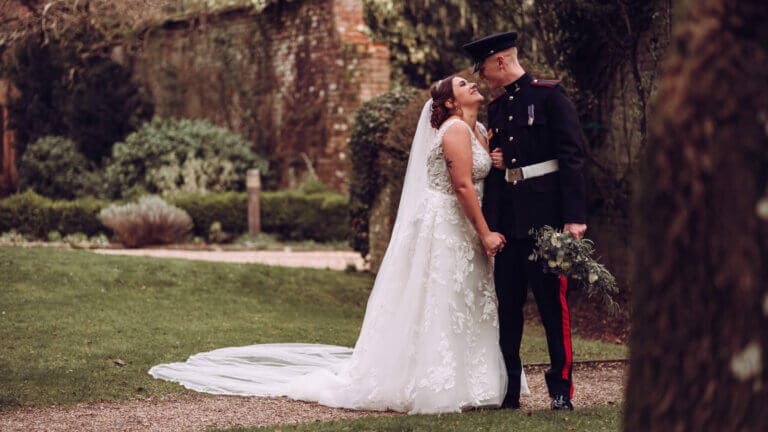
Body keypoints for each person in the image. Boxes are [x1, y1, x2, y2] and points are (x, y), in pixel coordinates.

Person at [149, 76, 529, 414]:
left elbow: (481, 174)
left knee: (465, 297)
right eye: (462, 85)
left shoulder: (476, 129)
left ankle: (476, 381)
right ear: (448, 102)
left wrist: (494, 160)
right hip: (447, 221)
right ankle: (438, 383)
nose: (472, 84)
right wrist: (484, 232)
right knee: (442, 297)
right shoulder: (455, 131)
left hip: (461, 222)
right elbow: (462, 186)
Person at [462, 31, 588, 411]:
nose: (481, 75)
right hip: (511, 225)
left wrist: (574, 218)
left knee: (553, 307)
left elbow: (572, 157)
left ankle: (560, 389)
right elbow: (501, 171)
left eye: (482, 66)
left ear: (499, 61)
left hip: (546, 222)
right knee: (508, 308)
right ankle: (510, 390)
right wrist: (494, 224)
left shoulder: (549, 95)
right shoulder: (498, 108)